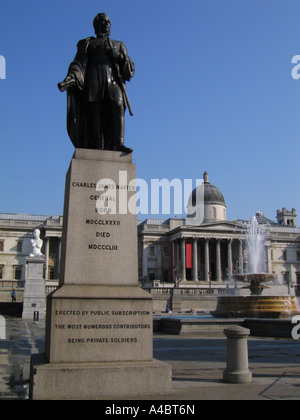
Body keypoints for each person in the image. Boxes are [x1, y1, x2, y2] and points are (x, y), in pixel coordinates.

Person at [58, 13, 135, 153]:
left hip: (113, 83)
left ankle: (119, 143)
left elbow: (129, 69)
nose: (106, 24)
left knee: (118, 105)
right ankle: (97, 146)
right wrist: (71, 77)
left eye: (108, 22)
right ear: (96, 25)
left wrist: (120, 56)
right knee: (95, 111)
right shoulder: (88, 44)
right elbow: (78, 63)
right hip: (94, 81)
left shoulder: (119, 45)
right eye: (103, 22)